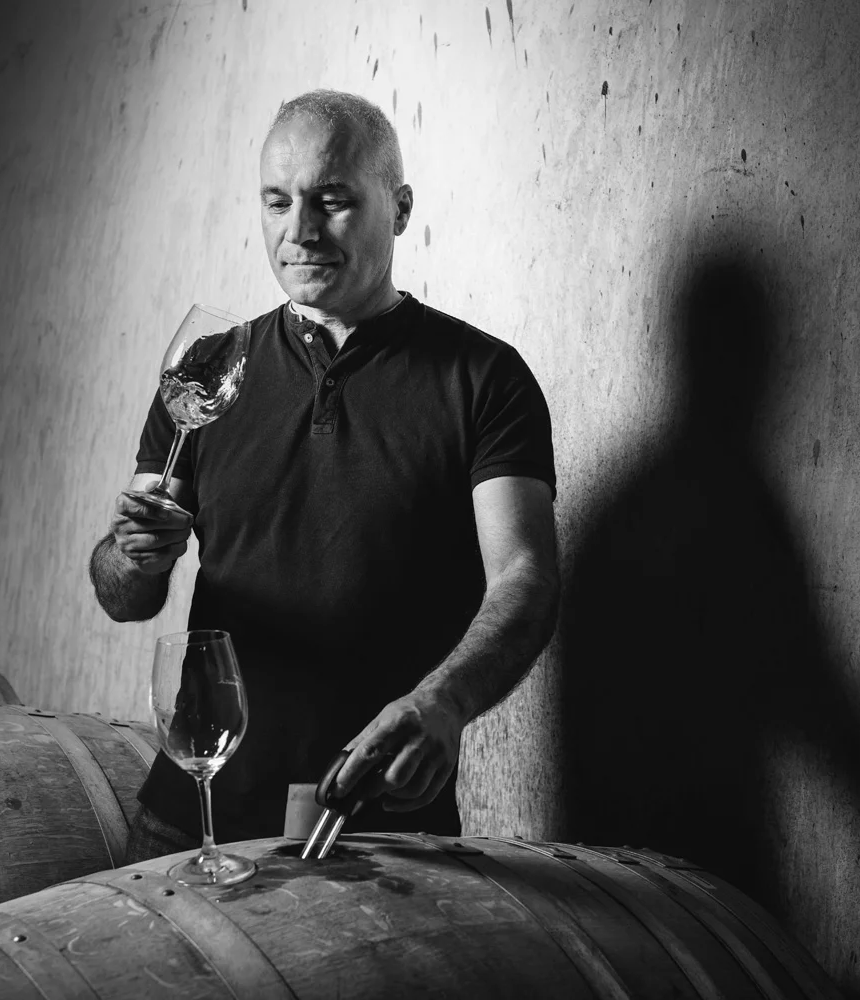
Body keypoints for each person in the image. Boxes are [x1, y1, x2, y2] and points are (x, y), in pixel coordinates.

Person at [90, 89, 559, 862]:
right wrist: (132, 552)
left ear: (400, 208)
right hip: (192, 814)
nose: (298, 232)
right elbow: (125, 597)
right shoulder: (208, 371)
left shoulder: (484, 378)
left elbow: (526, 576)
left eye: (332, 200)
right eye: (277, 202)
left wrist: (446, 703)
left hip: (384, 828)